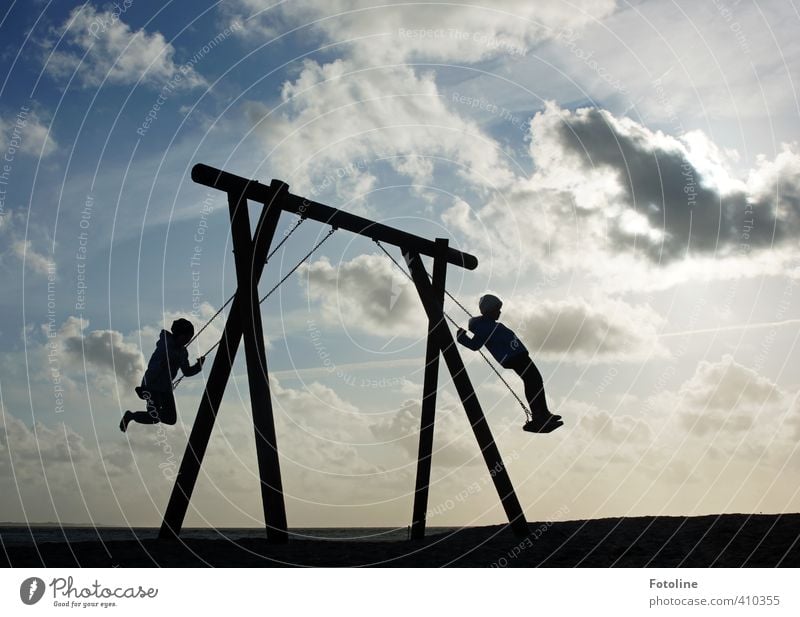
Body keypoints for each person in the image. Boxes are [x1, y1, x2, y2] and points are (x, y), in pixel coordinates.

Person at [456, 294, 562, 433]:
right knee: (533, 381)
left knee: (535, 380)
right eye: (497, 309)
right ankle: (539, 416)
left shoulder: (489, 325)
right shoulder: (484, 326)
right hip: (514, 357)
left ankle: (543, 413)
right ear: (489, 310)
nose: (499, 312)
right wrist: (461, 338)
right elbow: (475, 345)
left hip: (517, 355)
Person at [119, 318, 205, 432]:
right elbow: (153, 366)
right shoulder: (165, 346)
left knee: (170, 419)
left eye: (189, 338)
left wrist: (198, 366)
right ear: (178, 335)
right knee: (154, 417)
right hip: (152, 385)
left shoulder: (183, 352)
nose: (187, 341)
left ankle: (139, 412)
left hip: (166, 388)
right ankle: (131, 415)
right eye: (185, 337)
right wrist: (163, 364)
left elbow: (187, 372)